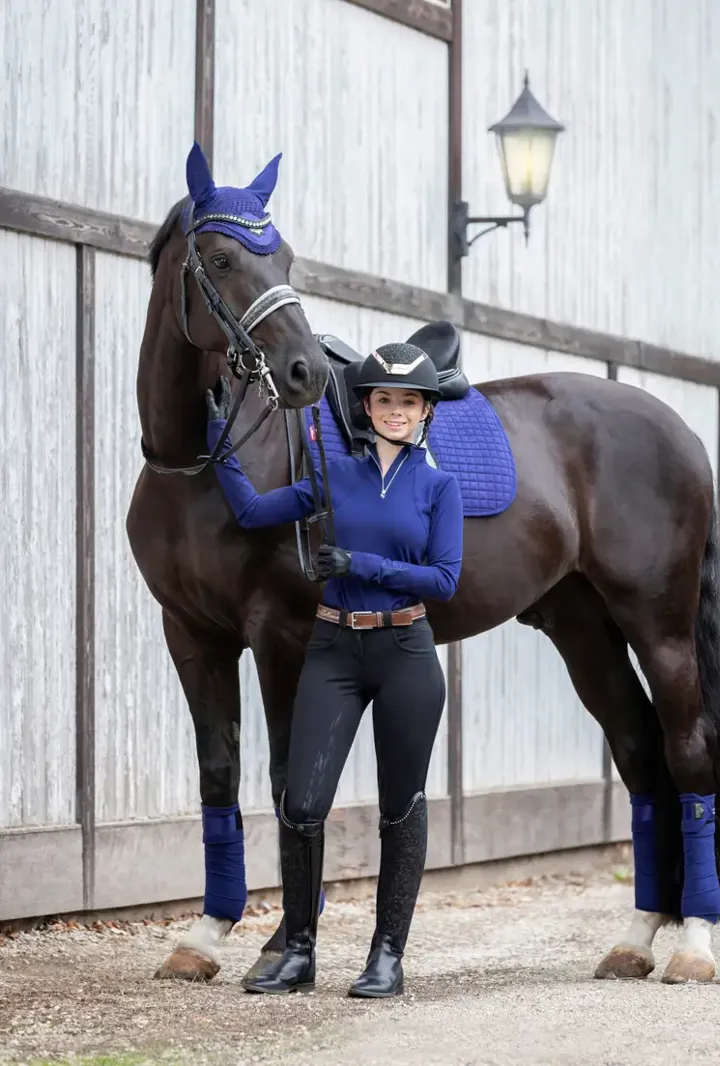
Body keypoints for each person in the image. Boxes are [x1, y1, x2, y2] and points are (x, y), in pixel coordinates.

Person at [204, 342, 464, 998]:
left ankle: (386, 956)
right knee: (303, 802)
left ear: (425, 410)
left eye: (409, 401)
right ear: (367, 407)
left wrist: (360, 566)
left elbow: (445, 578)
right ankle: (298, 952)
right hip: (334, 651)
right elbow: (252, 513)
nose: (396, 411)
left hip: (406, 653)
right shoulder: (334, 475)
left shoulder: (439, 487)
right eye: (385, 400)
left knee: (400, 807)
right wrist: (219, 437)